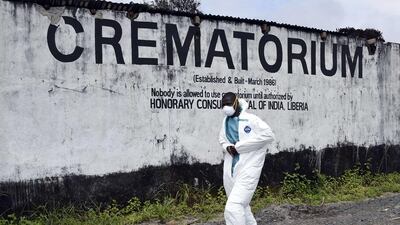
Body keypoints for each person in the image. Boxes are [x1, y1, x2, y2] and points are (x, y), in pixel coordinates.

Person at [219, 92, 275, 225]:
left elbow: (269, 136)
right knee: (242, 207)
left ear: (235, 103)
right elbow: (222, 138)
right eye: (223, 105)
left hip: (249, 168)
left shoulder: (251, 119)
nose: (226, 107)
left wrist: (240, 147)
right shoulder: (226, 120)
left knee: (234, 206)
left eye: (228, 104)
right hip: (231, 169)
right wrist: (227, 147)